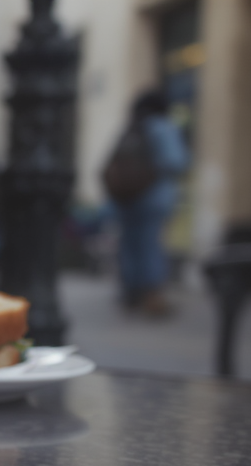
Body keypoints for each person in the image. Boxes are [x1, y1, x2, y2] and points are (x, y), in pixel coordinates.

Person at [104, 91, 189, 316]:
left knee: (130, 244)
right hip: (154, 196)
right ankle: (152, 296)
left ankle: (131, 292)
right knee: (150, 244)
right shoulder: (163, 127)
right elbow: (176, 162)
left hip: (127, 197)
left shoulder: (133, 127)